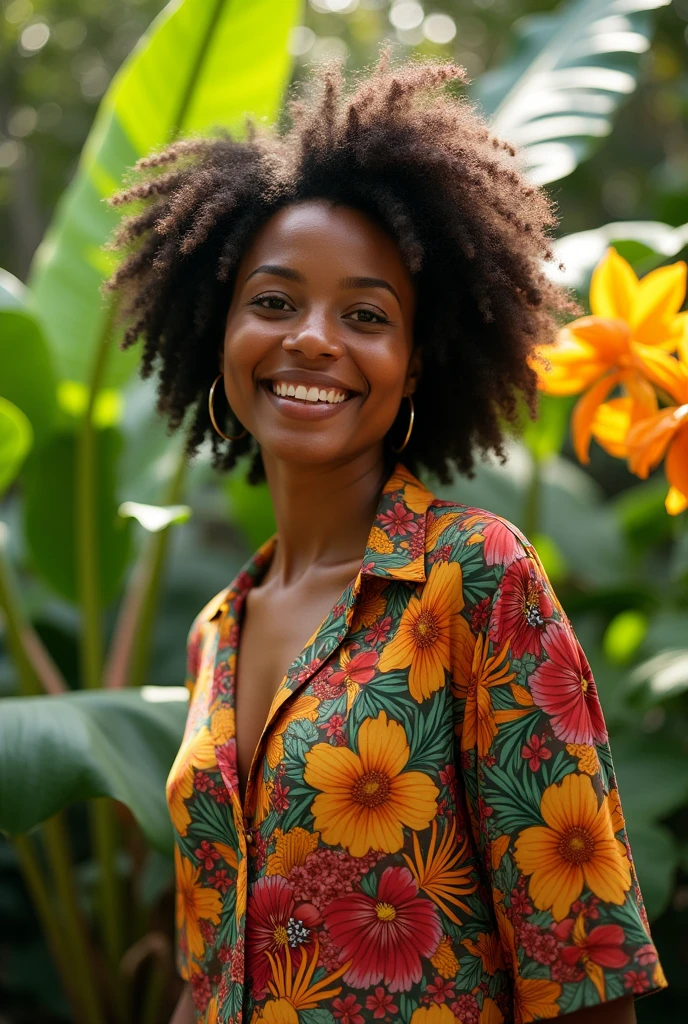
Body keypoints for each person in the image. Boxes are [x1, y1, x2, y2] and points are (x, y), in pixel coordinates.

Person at [105, 51, 667, 1024]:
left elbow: (586, 979)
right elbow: (212, 973)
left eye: (364, 315)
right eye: (273, 301)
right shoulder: (214, 633)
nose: (313, 338)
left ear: (414, 367)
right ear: (217, 332)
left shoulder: (473, 579)